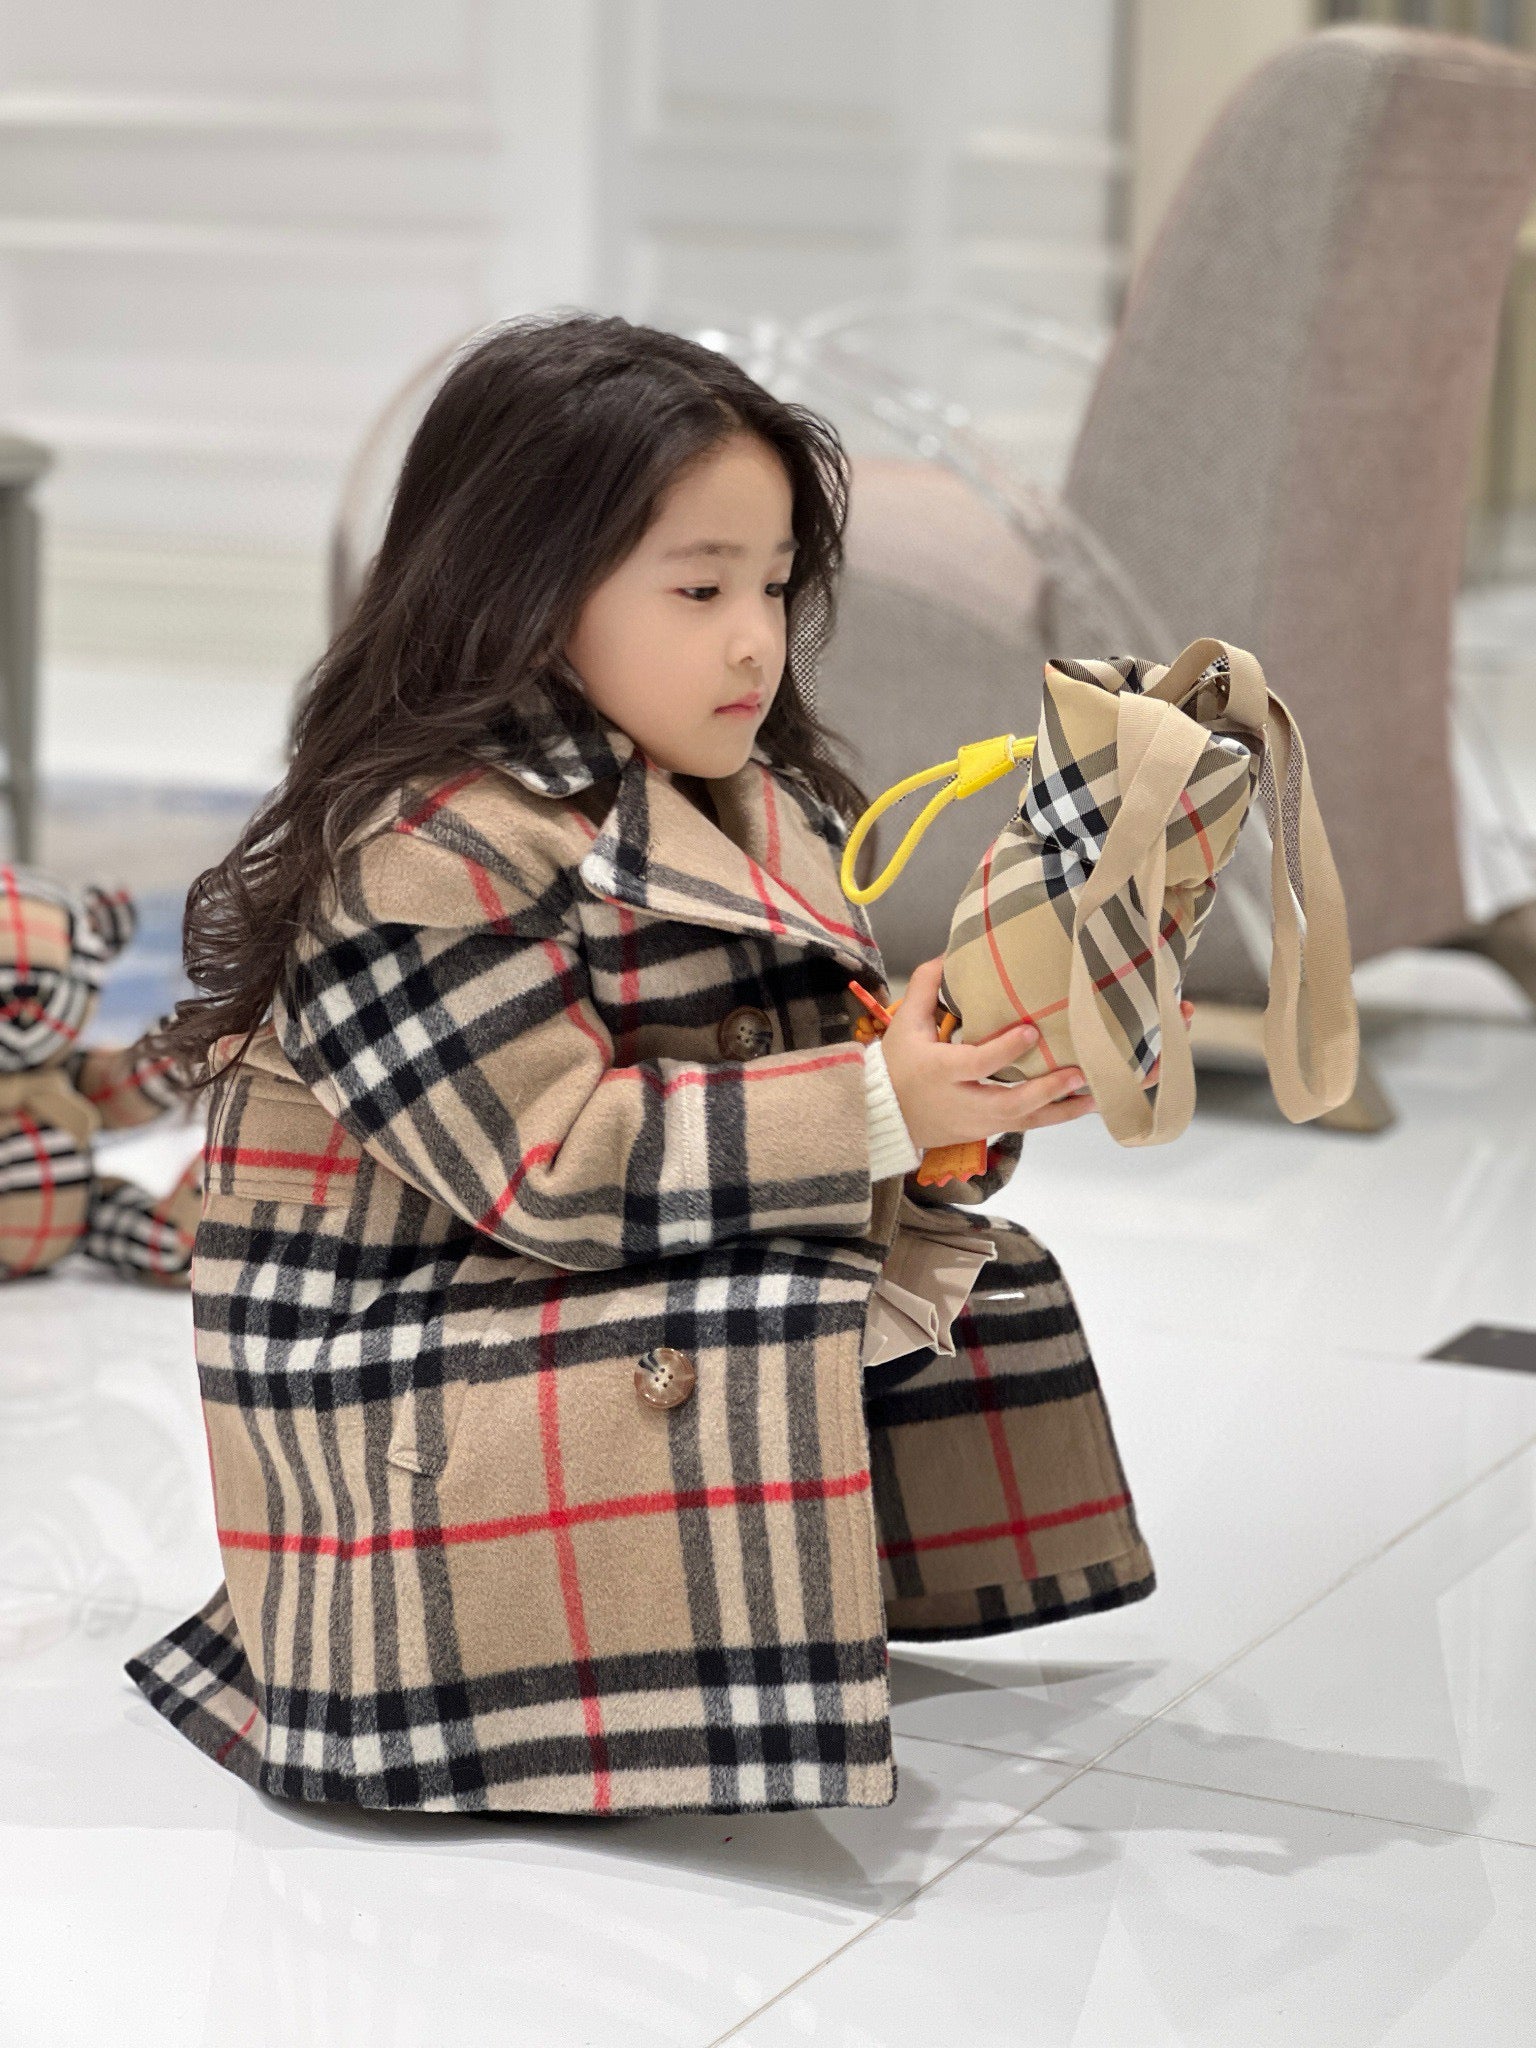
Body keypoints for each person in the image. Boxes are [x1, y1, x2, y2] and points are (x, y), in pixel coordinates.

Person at [124, 312, 1156, 1819]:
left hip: (563, 1301)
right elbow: (553, 1168)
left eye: (776, 584)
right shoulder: (423, 848)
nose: (755, 638)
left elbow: (809, 1090)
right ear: (527, 588)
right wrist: (876, 1105)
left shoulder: (762, 801)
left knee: (976, 1275)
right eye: (699, 587)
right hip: (398, 1406)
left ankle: (794, 1603)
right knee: (771, 1318)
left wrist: (950, 1098)